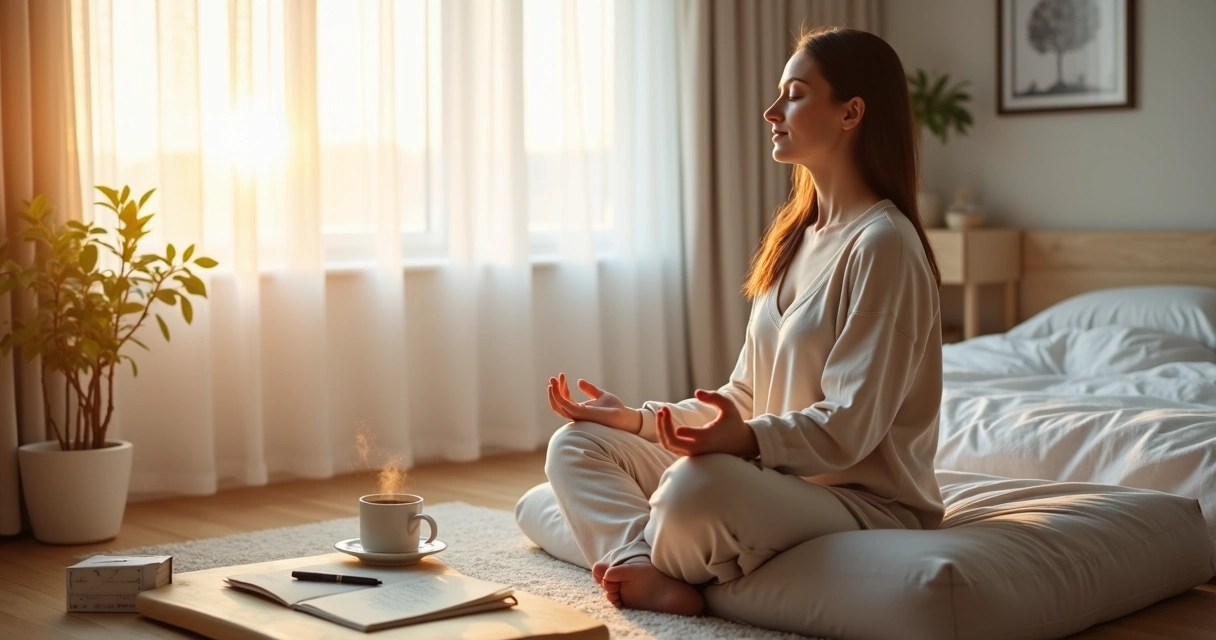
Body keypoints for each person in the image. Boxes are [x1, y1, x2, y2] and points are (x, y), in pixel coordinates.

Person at [518, 26, 944, 618]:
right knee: (577, 445)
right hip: (769, 476)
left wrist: (743, 442)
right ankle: (646, 560)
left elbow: (850, 428)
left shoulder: (884, 245)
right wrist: (639, 420)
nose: (772, 111)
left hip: (860, 500)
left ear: (851, 113)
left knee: (698, 485)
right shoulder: (794, 238)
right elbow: (744, 396)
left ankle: (634, 550)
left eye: (794, 93)